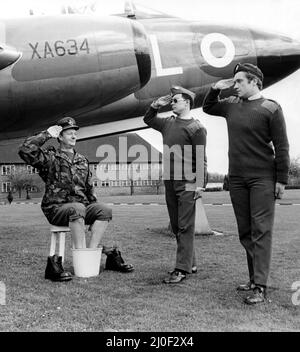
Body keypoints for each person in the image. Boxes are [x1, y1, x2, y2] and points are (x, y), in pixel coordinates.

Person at [203, 63, 290, 304]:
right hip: (237, 179)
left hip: (263, 178)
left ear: (254, 82)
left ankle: (260, 287)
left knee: (261, 230)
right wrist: (214, 88)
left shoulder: (271, 108)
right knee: (246, 232)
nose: (235, 85)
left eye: (240, 81)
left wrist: (281, 180)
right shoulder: (231, 106)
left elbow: (282, 146)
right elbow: (208, 107)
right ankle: (254, 279)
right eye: (235, 81)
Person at [18, 117, 133, 282]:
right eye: (69, 133)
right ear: (60, 137)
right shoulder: (50, 157)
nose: (74, 136)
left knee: (104, 210)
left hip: (80, 208)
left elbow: (88, 190)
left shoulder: (82, 160)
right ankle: (82, 262)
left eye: (75, 133)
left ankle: (89, 258)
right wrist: (46, 134)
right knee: (77, 208)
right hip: (56, 208)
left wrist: (94, 212)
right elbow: (25, 150)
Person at [144, 86, 207, 284]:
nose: (172, 103)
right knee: (177, 225)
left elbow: (201, 158)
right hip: (170, 180)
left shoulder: (197, 128)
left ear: (187, 102)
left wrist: (200, 184)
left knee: (186, 225)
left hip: (188, 181)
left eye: (175, 100)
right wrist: (155, 106)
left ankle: (181, 269)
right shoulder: (167, 124)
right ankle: (191, 263)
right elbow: (148, 120)